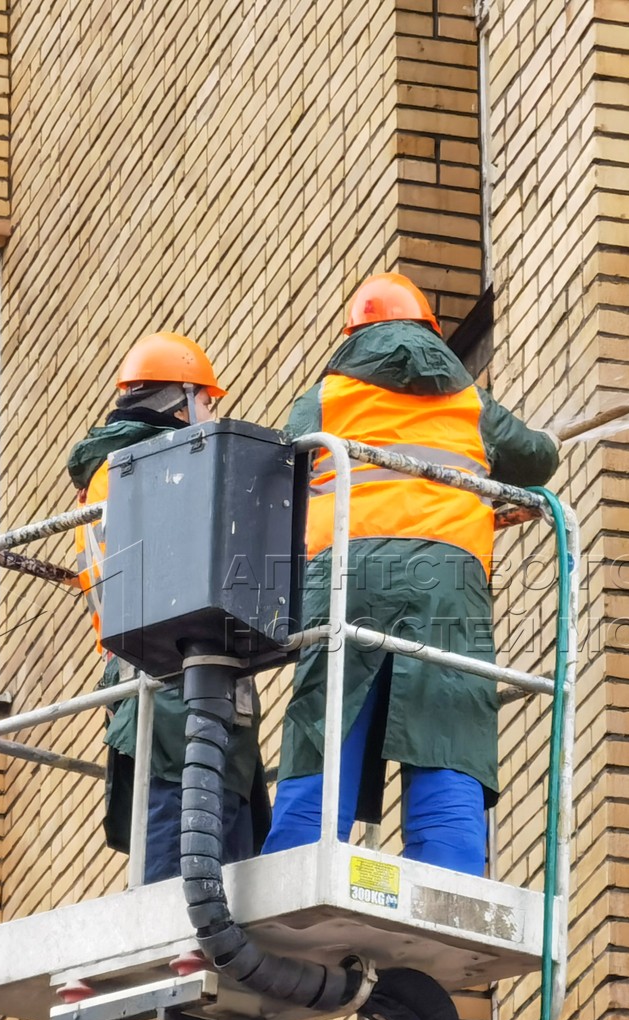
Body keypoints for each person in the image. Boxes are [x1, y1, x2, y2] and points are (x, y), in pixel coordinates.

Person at [262, 273, 559, 875]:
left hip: (348, 573)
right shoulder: (469, 402)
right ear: (430, 332)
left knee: (330, 711)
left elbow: (274, 476)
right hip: (448, 579)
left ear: (355, 335)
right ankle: (449, 870)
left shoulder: (324, 398)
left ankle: (299, 860)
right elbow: (537, 459)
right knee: (447, 712)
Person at [67, 331, 270, 882]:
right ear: (179, 402)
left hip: (157, 671)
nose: (211, 415)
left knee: (194, 830)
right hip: (177, 672)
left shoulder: (112, 472)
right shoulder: (156, 463)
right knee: (182, 838)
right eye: (208, 402)